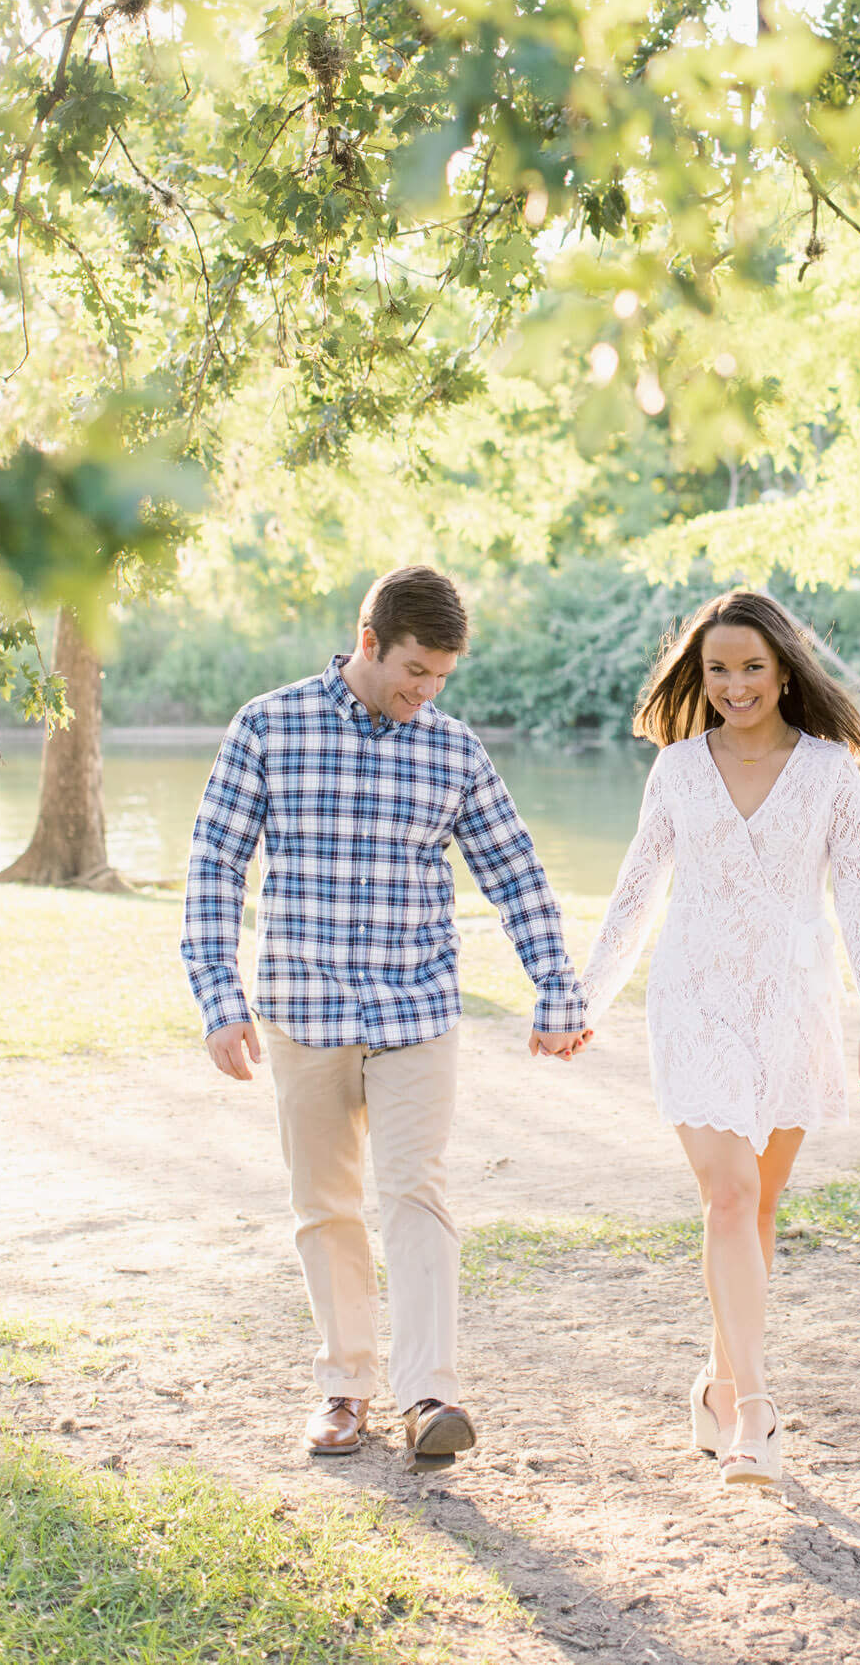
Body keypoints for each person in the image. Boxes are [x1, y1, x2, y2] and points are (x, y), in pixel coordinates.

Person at [179, 564, 590, 1461]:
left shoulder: (453, 750)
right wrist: (219, 996)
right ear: (369, 643)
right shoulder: (268, 726)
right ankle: (345, 1389)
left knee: (417, 1193)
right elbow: (216, 864)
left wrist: (555, 986)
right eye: (415, 670)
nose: (426, 691)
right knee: (324, 1205)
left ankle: (431, 1394)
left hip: (416, 1010)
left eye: (442, 676)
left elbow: (515, 873)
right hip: (304, 1010)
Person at [580, 590, 860, 1489]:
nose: (733, 685)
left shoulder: (833, 772)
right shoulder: (677, 770)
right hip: (695, 1001)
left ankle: (718, 1391)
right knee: (728, 1197)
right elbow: (637, 890)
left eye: (751, 667)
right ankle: (756, 1413)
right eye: (717, 669)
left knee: (755, 1208)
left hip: (792, 1006)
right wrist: (585, 998)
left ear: (786, 669)